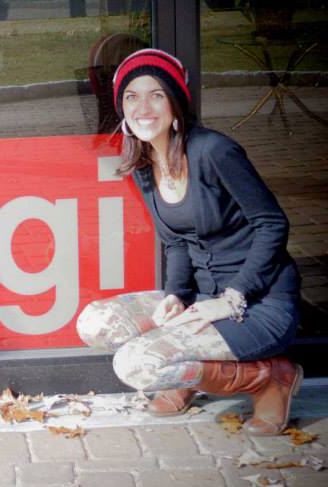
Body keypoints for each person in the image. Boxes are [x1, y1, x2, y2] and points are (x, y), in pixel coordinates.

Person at [76, 49, 302, 436]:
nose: (142, 108)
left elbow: (272, 224)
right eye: (131, 96)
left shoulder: (214, 151)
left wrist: (232, 298)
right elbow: (176, 243)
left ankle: (269, 378)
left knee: (136, 365)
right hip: (201, 299)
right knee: (95, 324)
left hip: (257, 303)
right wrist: (176, 295)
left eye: (156, 95)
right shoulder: (144, 162)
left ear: (176, 102)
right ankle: (186, 371)